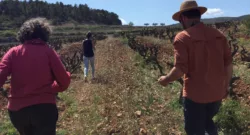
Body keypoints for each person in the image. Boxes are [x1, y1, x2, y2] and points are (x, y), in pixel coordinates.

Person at [158, 0, 233, 135]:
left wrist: (165, 79)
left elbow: (180, 69)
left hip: (195, 97)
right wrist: (226, 86)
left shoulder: (183, 37)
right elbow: (228, 64)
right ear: (198, 16)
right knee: (207, 121)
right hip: (217, 94)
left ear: (184, 18)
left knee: (194, 130)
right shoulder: (219, 35)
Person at [0, 17, 71, 135]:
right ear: (44, 35)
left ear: (23, 35)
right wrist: (52, 88)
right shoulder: (48, 52)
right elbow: (64, 82)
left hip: (18, 112)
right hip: (44, 110)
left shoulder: (13, 52)